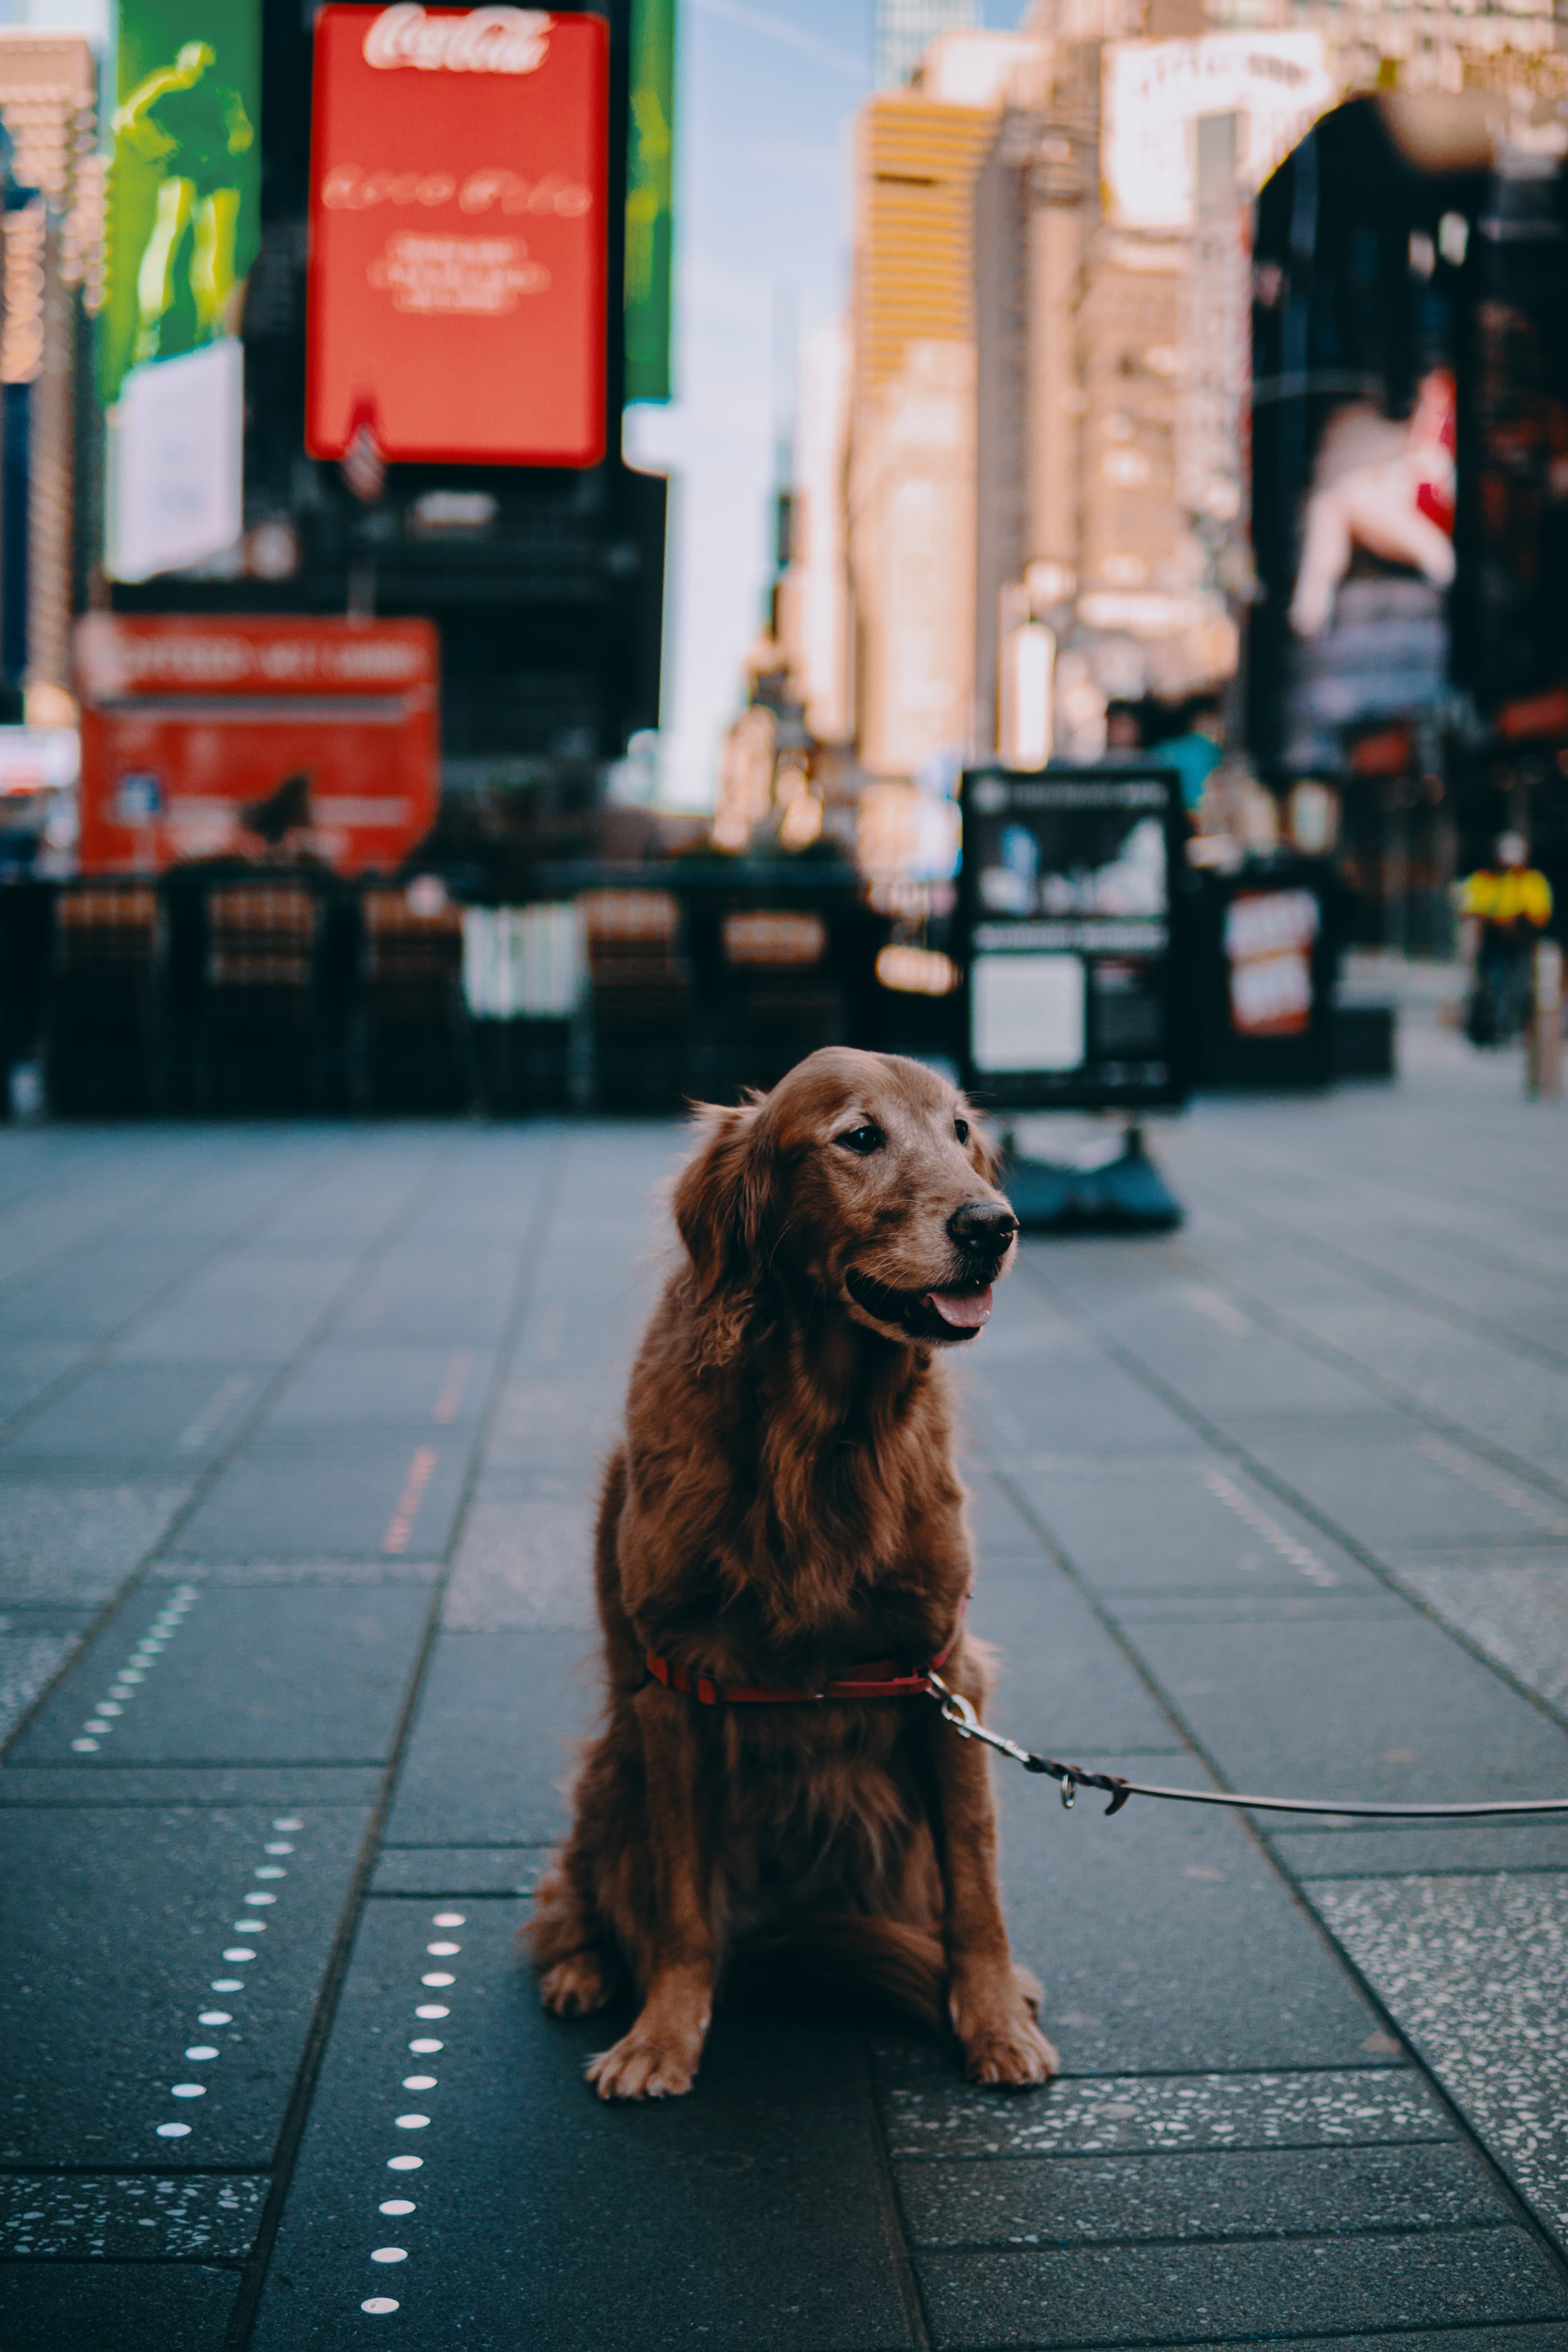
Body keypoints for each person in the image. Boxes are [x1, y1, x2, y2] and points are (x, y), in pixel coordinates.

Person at [113, 40, 255, 367]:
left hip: (216, 176)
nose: (198, 76)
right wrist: (159, 148)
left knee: (215, 250)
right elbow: (126, 119)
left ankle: (214, 324)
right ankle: (155, 323)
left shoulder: (221, 92)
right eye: (194, 69)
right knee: (169, 240)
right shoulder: (169, 85)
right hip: (183, 174)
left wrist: (225, 152)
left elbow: (242, 132)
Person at [1457, 833, 1552, 1046]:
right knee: (1492, 988)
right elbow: (1470, 909)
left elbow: (1540, 915)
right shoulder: (1486, 879)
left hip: (1520, 945)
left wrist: (1518, 923)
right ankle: (1494, 1029)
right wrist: (1493, 921)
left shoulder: (1532, 881)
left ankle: (1516, 1029)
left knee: (1522, 988)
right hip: (1493, 945)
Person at [1150, 692, 1224, 817]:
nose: (1222, 729)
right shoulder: (1206, 751)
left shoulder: (1162, 750)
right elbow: (1197, 806)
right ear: (1200, 721)